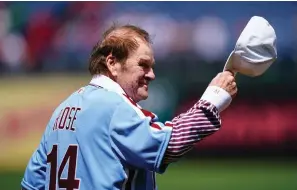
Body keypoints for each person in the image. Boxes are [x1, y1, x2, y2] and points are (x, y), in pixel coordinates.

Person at [21, 24, 237, 190]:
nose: (152, 74)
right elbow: (169, 145)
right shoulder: (115, 106)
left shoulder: (63, 108)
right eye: (143, 64)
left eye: (152, 66)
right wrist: (213, 100)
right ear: (112, 63)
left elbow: (32, 184)